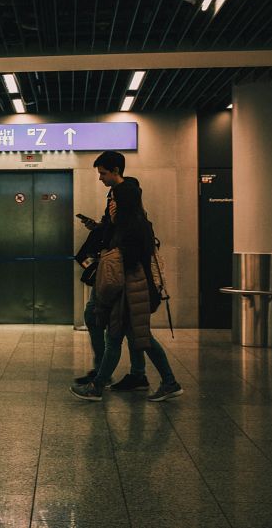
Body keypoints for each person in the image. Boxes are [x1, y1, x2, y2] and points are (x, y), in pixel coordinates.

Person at [71, 180, 184, 402]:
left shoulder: (135, 227)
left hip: (132, 290)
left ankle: (98, 386)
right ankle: (168, 382)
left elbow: (129, 259)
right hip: (129, 289)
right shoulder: (128, 224)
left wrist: (112, 249)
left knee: (123, 338)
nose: (111, 203)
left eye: (114, 199)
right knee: (133, 337)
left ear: (125, 201)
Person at [75, 151, 148, 391]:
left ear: (116, 170)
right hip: (115, 263)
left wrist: (113, 224)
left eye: (103, 173)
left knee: (109, 321)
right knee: (121, 323)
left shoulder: (126, 195)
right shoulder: (116, 195)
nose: (100, 178)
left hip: (120, 266)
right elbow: (115, 227)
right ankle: (128, 373)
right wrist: (99, 226)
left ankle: (105, 375)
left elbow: (129, 231)